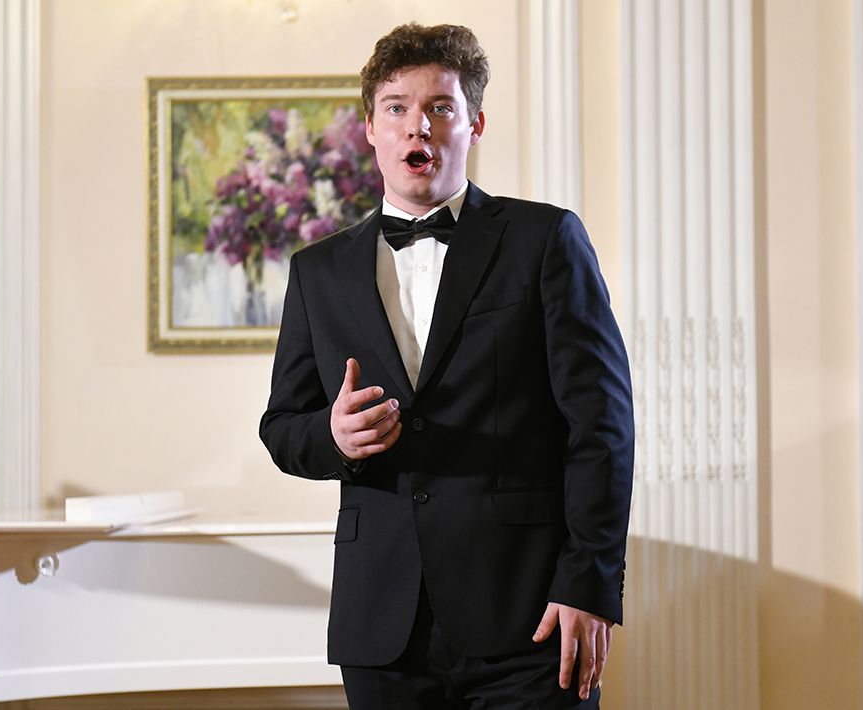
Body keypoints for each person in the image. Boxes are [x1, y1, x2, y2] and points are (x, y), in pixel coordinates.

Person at [259, 22, 633, 709]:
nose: (418, 126)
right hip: (382, 627)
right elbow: (282, 426)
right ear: (370, 128)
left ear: (474, 124)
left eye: (440, 107)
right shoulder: (318, 271)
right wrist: (333, 437)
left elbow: (601, 426)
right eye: (396, 108)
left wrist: (591, 583)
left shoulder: (545, 239)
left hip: (531, 619)